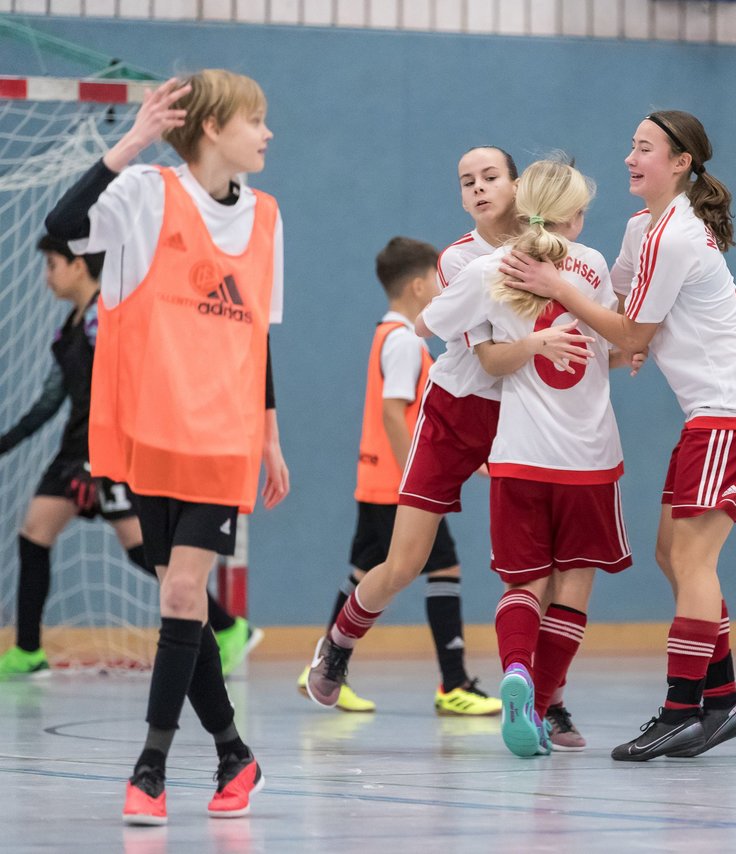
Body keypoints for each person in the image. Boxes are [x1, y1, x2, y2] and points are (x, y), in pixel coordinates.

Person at [500, 112, 736, 761]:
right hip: (710, 413)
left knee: (693, 561)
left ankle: (685, 708)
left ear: (681, 163)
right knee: (671, 555)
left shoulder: (678, 236)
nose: (631, 157)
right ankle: (725, 699)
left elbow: (630, 336)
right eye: (630, 145)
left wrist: (559, 289)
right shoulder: (639, 229)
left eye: (646, 148)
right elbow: (622, 316)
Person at [45, 70, 288, 824]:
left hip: (222, 438)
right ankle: (232, 753)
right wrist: (132, 142)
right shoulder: (147, 195)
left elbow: (258, 339)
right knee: (178, 605)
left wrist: (271, 438)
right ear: (213, 127)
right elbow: (63, 219)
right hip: (151, 433)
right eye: (256, 119)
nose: (267, 133)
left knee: (183, 595)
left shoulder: (269, 217)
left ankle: (149, 766)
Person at [305, 148, 590, 730]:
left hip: (524, 416)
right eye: (467, 182)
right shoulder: (461, 261)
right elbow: (489, 357)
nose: (479, 188)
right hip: (457, 412)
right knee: (405, 562)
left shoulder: (558, 249)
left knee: (542, 568)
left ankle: (546, 698)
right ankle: (339, 643)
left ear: (518, 185)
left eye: (491, 177)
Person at [421, 156, 632, 756]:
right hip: (589, 456)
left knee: (524, 583)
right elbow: (620, 338)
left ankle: (515, 668)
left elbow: (433, 321)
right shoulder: (589, 264)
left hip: (516, 454)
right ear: (578, 216)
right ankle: (539, 707)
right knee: (574, 583)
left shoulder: (491, 267)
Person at [0, 237, 255, 679]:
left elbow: (127, 388)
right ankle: (27, 650)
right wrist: (8, 440)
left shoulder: (106, 318)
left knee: (142, 549)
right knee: (34, 533)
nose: (46, 275)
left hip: (106, 452)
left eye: (53, 264)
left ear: (79, 265)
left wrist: (97, 460)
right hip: (73, 454)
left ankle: (229, 628)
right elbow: (50, 399)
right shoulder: (71, 326)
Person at [293, 236, 498, 715]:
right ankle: (454, 684)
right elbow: (393, 413)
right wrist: (415, 475)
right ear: (421, 286)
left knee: (367, 572)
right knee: (440, 568)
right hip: (397, 482)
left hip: (380, 478)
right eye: (439, 280)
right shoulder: (406, 341)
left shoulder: (387, 334)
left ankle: (326, 660)